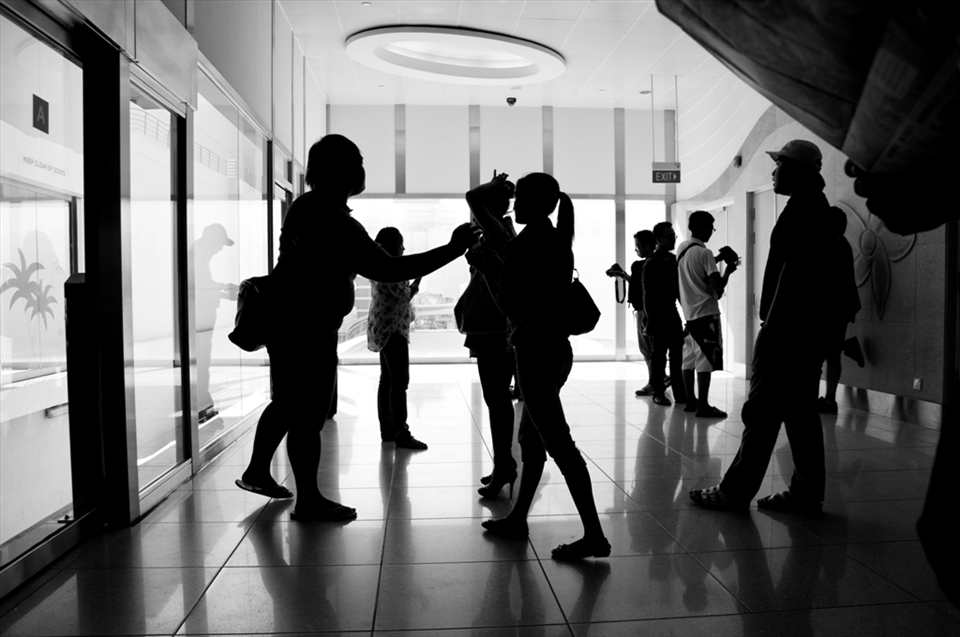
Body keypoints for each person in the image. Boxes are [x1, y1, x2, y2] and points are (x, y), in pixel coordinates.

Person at [236, 134, 480, 520]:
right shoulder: (331, 217)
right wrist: (452, 249)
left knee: (286, 402)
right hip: (307, 326)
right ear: (341, 170)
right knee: (306, 416)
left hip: (289, 322)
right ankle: (310, 501)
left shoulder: (309, 206)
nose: (363, 169)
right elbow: (389, 268)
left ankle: (257, 471)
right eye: (358, 161)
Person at [690, 139, 839, 515]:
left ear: (798, 171)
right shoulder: (811, 208)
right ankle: (806, 492)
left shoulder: (803, 213)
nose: (773, 172)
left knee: (762, 411)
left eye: (779, 165)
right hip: (802, 332)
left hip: (786, 332)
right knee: (800, 414)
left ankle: (735, 491)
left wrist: (770, 330)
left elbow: (794, 281)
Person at [468, 172, 610, 561]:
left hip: (532, 351)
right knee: (532, 441)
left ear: (537, 203)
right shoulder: (559, 238)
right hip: (557, 350)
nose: (516, 205)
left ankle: (594, 535)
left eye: (522, 198)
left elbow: (511, 309)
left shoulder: (522, 245)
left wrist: (485, 267)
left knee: (560, 446)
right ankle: (517, 517)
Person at [463, 171, 520, 498]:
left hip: (494, 328)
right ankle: (503, 463)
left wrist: (492, 188)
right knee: (497, 398)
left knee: (496, 398)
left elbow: (472, 196)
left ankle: (505, 465)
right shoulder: (501, 231)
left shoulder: (497, 230)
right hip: (496, 325)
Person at [367, 227, 427, 449]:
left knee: (387, 380)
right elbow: (404, 296)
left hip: (382, 328)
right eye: (401, 243)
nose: (403, 248)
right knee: (399, 382)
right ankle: (401, 432)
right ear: (393, 246)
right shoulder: (391, 269)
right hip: (393, 331)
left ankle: (388, 430)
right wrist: (418, 279)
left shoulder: (378, 266)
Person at [676, 210, 738, 418]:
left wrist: (717, 258)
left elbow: (697, 270)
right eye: (711, 227)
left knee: (689, 359)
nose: (711, 232)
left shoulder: (683, 248)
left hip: (689, 314)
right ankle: (703, 405)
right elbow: (717, 288)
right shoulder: (704, 253)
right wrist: (728, 270)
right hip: (706, 314)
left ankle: (690, 402)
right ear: (702, 227)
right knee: (705, 360)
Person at [605, 230, 667, 396]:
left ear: (648, 245)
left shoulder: (649, 264)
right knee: (652, 350)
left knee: (650, 351)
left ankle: (656, 381)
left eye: (637, 246)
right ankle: (659, 379)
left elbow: (646, 290)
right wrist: (623, 275)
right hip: (648, 312)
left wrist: (647, 315)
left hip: (647, 313)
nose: (636, 250)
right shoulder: (653, 263)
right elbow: (639, 285)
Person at [817, 206, 862, 414]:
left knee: (818, 352)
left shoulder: (825, 245)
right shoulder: (842, 243)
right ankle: (830, 399)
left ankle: (821, 399)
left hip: (828, 307)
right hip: (842, 306)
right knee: (832, 353)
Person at [642, 222, 689, 406]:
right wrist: (650, 321)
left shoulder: (672, 259)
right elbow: (647, 295)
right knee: (658, 356)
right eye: (669, 237)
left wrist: (687, 314)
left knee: (677, 355)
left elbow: (678, 289)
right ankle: (658, 392)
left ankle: (680, 393)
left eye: (673, 236)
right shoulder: (651, 263)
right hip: (657, 315)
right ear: (658, 240)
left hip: (672, 313)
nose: (672, 240)